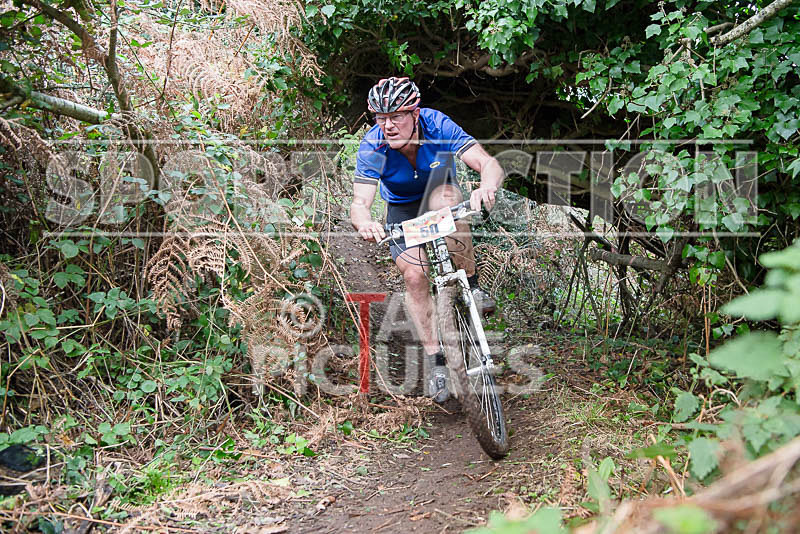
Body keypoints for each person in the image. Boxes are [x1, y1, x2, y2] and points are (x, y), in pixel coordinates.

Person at [350, 77, 504, 403]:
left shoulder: (436, 125)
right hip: (403, 210)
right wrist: (365, 223)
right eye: (381, 118)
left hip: (441, 192)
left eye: (396, 117)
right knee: (414, 275)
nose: (388, 126)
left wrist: (486, 186)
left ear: (415, 114)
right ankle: (436, 363)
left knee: (446, 201)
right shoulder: (373, 145)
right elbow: (360, 202)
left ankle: (472, 286)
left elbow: (486, 163)